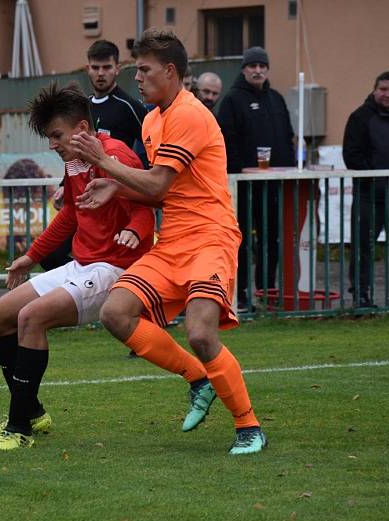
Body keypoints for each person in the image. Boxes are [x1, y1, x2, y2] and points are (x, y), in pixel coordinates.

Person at [70, 28, 267, 455]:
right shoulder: (156, 117)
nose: (136, 77)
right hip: (174, 237)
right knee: (116, 313)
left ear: (170, 71)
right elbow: (161, 193)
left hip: (211, 235)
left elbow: (158, 180)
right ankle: (199, 378)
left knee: (199, 331)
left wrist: (102, 164)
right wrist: (115, 188)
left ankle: (249, 426)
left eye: (144, 69)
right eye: (136, 69)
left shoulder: (190, 114)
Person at [0, 83, 155, 452]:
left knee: (31, 317)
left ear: (82, 130)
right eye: (48, 137)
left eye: (56, 135)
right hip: (82, 264)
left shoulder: (117, 154)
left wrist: (134, 231)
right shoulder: (75, 161)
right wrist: (31, 256)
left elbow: (146, 202)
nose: (52, 144)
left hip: (113, 270)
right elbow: (72, 213)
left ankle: (19, 428)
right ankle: (33, 411)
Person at [40, 40, 151, 272]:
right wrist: (65, 184)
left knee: (114, 260)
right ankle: (84, 289)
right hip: (85, 200)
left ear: (117, 68)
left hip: (118, 200)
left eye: (107, 67)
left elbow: (152, 147)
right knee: (50, 255)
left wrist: (149, 180)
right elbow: (75, 153)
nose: (101, 73)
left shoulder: (128, 106)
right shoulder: (82, 106)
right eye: (95, 67)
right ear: (87, 68)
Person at [217, 46, 295, 312]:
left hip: (274, 186)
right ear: (244, 69)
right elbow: (226, 141)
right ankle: (240, 294)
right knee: (241, 242)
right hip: (243, 187)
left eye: (262, 66)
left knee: (272, 239)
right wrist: (241, 171)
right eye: (253, 66)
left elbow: (288, 137)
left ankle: (266, 291)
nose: (258, 70)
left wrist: (291, 168)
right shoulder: (232, 100)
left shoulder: (276, 98)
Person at [343, 71, 389, 307]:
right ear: (374, 90)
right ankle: (361, 296)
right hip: (369, 195)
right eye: (383, 89)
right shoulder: (360, 117)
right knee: (363, 247)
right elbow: (351, 155)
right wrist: (376, 177)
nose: (387, 94)